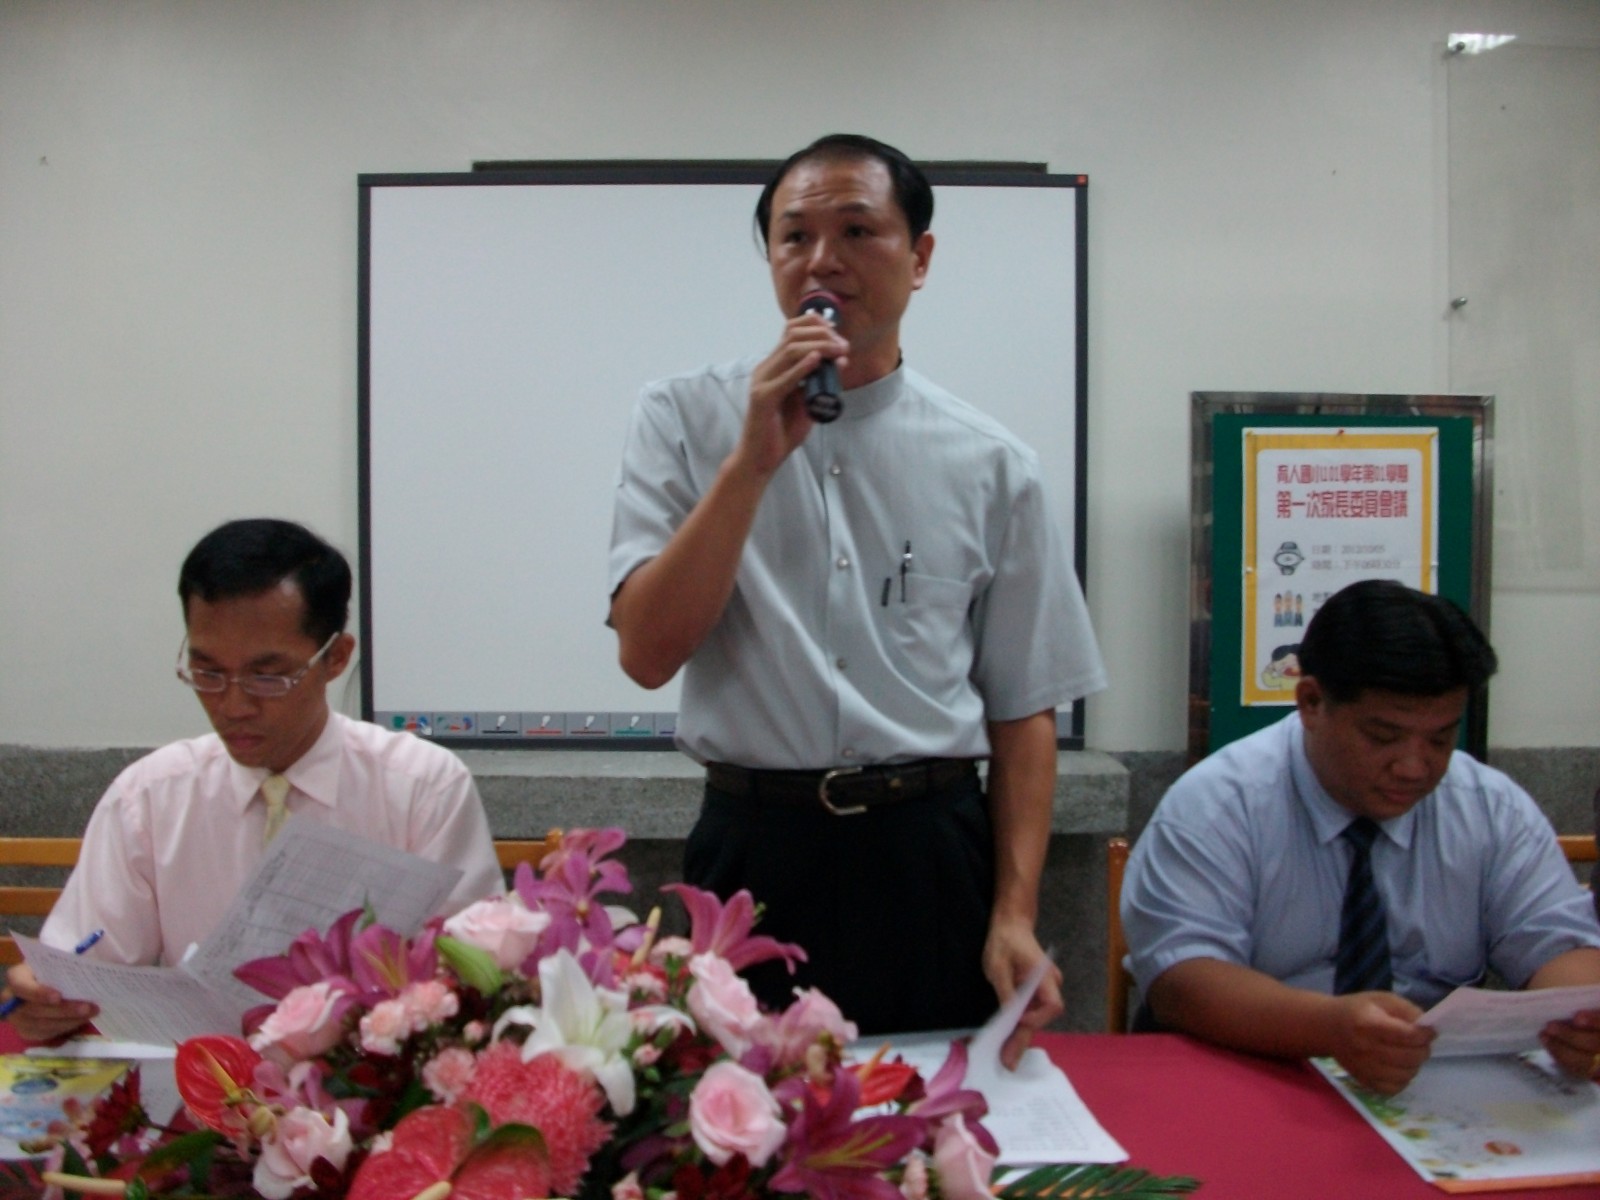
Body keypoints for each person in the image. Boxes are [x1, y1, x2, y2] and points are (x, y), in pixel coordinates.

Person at [608, 133, 1106, 1064]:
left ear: (920, 257)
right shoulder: (683, 418)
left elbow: (1024, 711)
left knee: (930, 1111)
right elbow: (646, 653)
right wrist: (749, 466)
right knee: (733, 1115)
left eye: (857, 231)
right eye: (794, 236)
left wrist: (1014, 912)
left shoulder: (992, 462)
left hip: (927, 851)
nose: (822, 261)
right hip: (754, 847)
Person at [4, 518, 503, 1043]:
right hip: (196, 1075)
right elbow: (81, 967)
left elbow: (473, 982)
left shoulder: (422, 788)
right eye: (208, 673)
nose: (233, 705)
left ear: (335, 657)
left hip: (366, 1076)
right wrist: (47, 1000)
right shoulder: (149, 797)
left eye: (268, 676)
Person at [1122, 578, 1600, 1095]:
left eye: (1440, 739)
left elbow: (1560, 945)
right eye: (1383, 737)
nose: (1414, 766)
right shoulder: (1217, 805)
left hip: (1430, 1085)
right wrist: (1329, 1028)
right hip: (1250, 1072)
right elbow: (1184, 980)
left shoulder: (1488, 807)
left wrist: (1578, 1020)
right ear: (1311, 702)